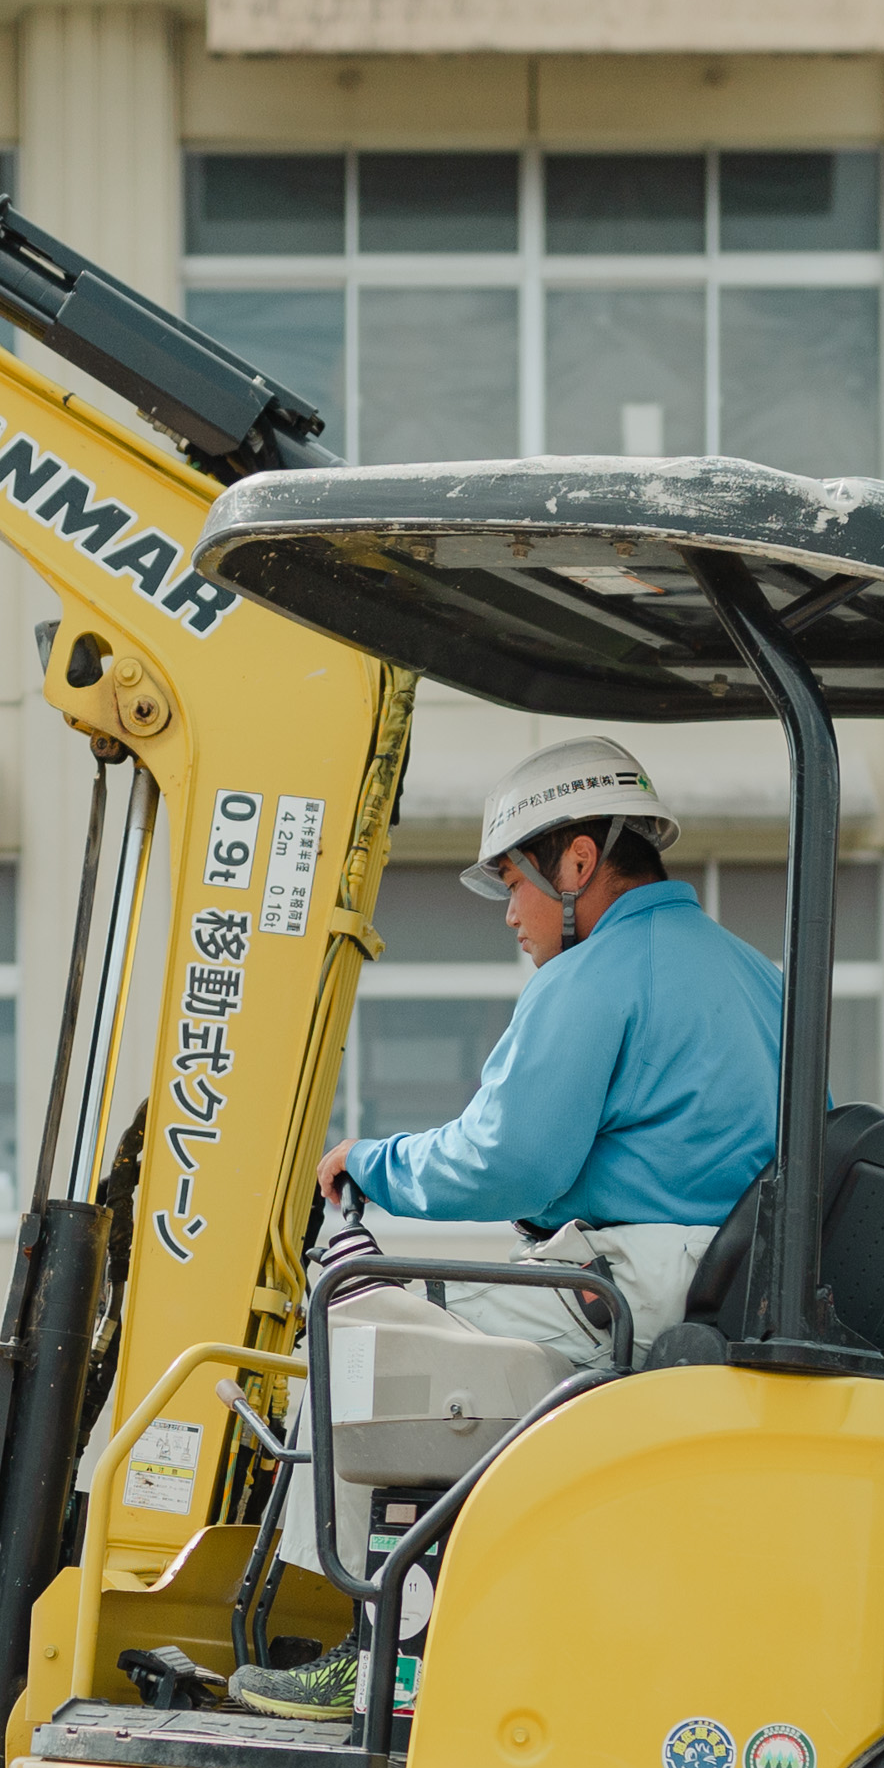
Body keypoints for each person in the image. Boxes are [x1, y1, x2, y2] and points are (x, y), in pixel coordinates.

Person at [241, 735, 785, 1718]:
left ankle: (380, 1660)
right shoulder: (757, 977)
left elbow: (507, 1159)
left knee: (362, 1339)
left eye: (513, 882)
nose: (510, 913)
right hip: (724, 1279)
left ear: (575, 861)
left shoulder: (589, 979)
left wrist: (370, 1163)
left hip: (631, 1284)